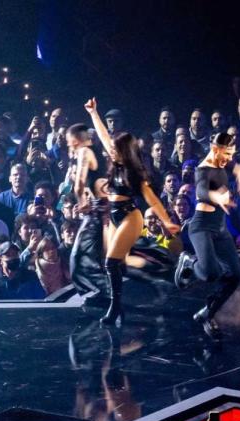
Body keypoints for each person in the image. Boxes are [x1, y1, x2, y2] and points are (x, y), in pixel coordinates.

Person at [84, 97, 180, 326]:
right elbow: (104, 136)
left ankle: (115, 309)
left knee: (111, 263)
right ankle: (156, 274)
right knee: (118, 264)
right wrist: (93, 113)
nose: (111, 150)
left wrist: (167, 222)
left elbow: (154, 201)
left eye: (116, 149)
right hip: (116, 216)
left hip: (130, 216)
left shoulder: (135, 173)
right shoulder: (116, 163)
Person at [173, 133, 240, 340]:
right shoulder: (204, 167)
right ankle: (188, 261)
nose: (228, 158)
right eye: (225, 153)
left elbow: (235, 168)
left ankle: (207, 313)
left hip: (220, 229)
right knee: (210, 274)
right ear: (214, 148)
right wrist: (217, 196)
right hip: (201, 226)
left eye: (230, 154)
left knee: (234, 275)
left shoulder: (224, 161)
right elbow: (201, 191)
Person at [65, 122, 109, 300]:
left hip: (96, 213)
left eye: (70, 140)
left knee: (78, 259)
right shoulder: (97, 154)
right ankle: (104, 294)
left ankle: (105, 292)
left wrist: (83, 202)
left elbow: (79, 186)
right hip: (100, 210)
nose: (69, 144)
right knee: (91, 258)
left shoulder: (84, 152)